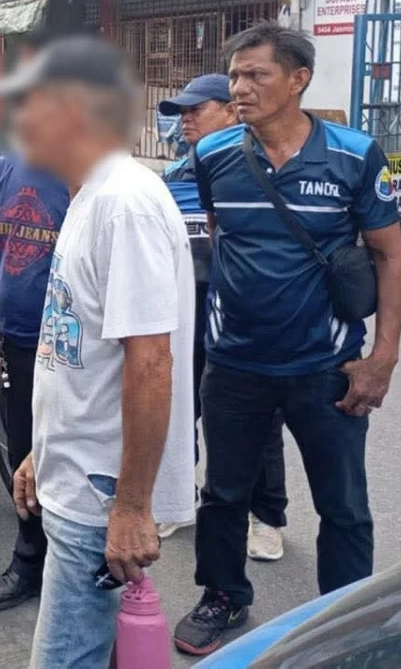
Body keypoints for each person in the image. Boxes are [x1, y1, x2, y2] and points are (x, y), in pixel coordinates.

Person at [174, 23, 401, 656]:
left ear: (298, 80)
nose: (240, 87)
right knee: (222, 494)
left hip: (327, 367)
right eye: (235, 75)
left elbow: (389, 257)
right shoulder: (213, 155)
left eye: (257, 75)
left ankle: (346, 617)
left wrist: (380, 358)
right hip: (234, 365)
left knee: (344, 505)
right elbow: (222, 236)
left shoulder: (356, 156)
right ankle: (223, 594)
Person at [0, 36, 196, 669]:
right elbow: (77, 350)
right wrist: (40, 453)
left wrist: (133, 506)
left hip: (101, 491)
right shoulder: (87, 196)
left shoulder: (123, 204)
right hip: (76, 471)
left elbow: (149, 361)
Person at [156, 75, 290, 558]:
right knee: (177, 411)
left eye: (198, 109)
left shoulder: (254, 175)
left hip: (241, 320)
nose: (186, 119)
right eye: (183, 112)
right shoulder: (170, 179)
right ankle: (179, 498)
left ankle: (266, 516)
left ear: (232, 113)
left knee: (256, 422)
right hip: (181, 317)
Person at [0, 146, 70, 611]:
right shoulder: (3, 169)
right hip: (17, 343)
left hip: (73, 350)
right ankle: (29, 562)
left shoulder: (88, 173)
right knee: (23, 453)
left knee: (74, 462)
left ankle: (76, 570)